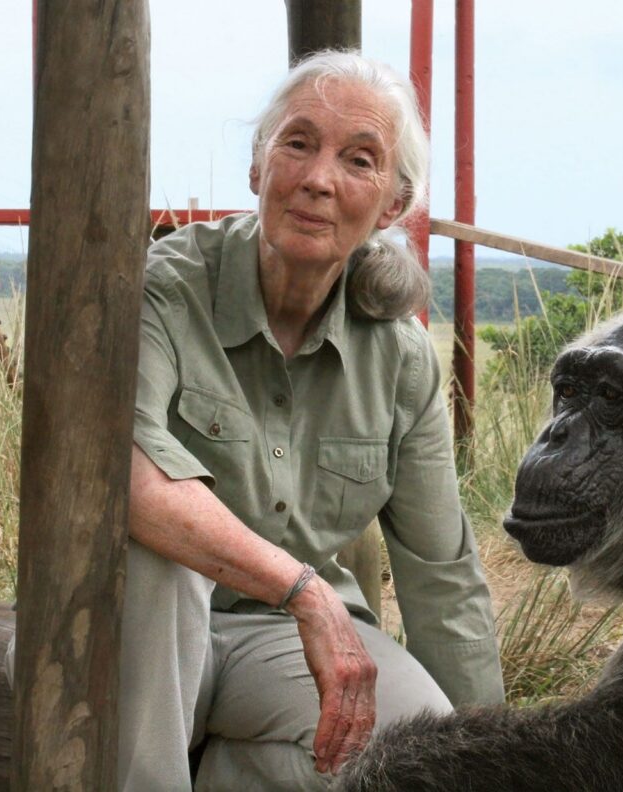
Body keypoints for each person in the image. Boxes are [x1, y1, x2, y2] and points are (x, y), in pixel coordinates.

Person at [117, 49, 503, 790]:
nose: (319, 179)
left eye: (359, 160)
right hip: (138, 644)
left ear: (392, 205)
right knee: (160, 559)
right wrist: (306, 591)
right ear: (258, 167)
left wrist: (490, 760)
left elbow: (441, 578)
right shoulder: (164, 291)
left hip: (279, 648)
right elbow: (130, 477)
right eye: (298, 143)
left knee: (409, 743)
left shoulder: (400, 357)